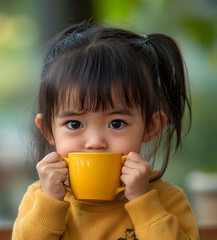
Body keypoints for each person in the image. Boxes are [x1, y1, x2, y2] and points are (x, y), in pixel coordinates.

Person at [12, 20, 199, 239]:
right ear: (48, 129)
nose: (95, 141)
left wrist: (142, 201)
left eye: (116, 123)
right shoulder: (40, 199)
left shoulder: (166, 199)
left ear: (152, 126)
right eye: (74, 124)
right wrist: (51, 201)